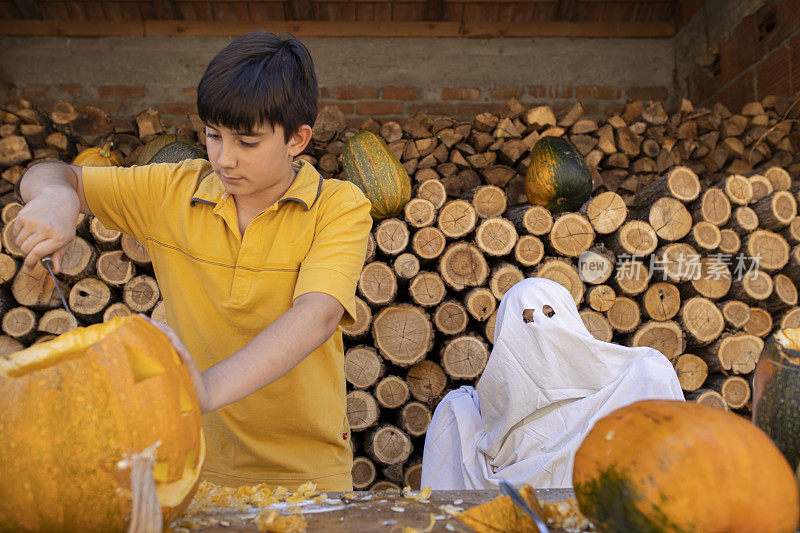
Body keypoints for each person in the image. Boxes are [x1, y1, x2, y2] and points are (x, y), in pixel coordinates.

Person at [13, 31, 373, 491]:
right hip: (190, 466)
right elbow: (50, 172)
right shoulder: (173, 189)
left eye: (247, 142)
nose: (224, 158)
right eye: (212, 135)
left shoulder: (338, 206)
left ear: (297, 139)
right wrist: (56, 197)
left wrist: (203, 390)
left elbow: (316, 315)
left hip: (309, 473)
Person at [421, 277, 684, 489]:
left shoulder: (632, 382)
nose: (541, 330)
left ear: (570, 320)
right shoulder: (468, 417)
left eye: (551, 316)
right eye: (526, 320)